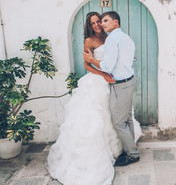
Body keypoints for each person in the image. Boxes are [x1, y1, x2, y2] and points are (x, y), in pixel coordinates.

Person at [46, 12, 141, 185]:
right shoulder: (90, 40)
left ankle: (129, 151)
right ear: (89, 26)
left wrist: (99, 65)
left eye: (101, 21)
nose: (98, 24)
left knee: (119, 118)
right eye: (95, 23)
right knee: (103, 118)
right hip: (101, 81)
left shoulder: (111, 37)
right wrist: (102, 74)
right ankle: (124, 150)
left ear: (112, 22)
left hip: (115, 81)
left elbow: (110, 63)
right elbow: (86, 65)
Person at [83, 11, 140, 167]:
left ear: (116, 22)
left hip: (121, 84)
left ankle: (132, 154)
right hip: (127, 80)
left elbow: (108, 66)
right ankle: (130, 148)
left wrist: (91, 59)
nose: (102, 23)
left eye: (105, 20)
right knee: (126, 118)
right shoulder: (125, 37)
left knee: (118, 122)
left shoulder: (112, 39)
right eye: (100, 21)